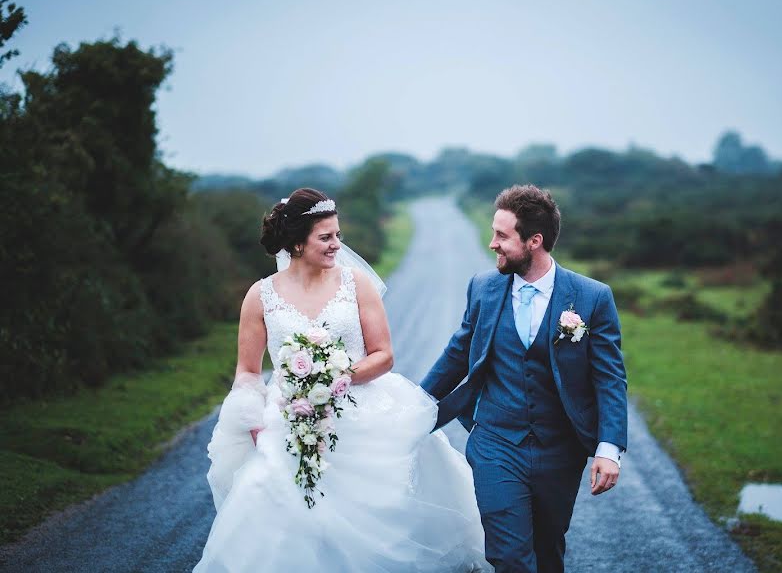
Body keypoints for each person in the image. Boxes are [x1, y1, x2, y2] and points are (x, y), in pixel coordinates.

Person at [194, 188, 490, 572]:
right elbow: (248, 372)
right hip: (290, 422)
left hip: (362, 417)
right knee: (283, 517)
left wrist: (337, 376)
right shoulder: (260, 296)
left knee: (380, 519)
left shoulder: (356, 284)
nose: (337, 244)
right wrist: (254, 422)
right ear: (297, 243)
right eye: (326, 237)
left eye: (338, 235)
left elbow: (383, 355)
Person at [420, 185, 628, 573]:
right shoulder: (483, 288)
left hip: (560, 449)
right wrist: (415, 405)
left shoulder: (592, 297)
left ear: (535, 241)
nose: (492, 244)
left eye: (502, 236)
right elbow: (457, 355)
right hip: (495, 442)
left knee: (548, 551)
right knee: (509, 555)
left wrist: (609, 448)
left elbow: (610, 378)